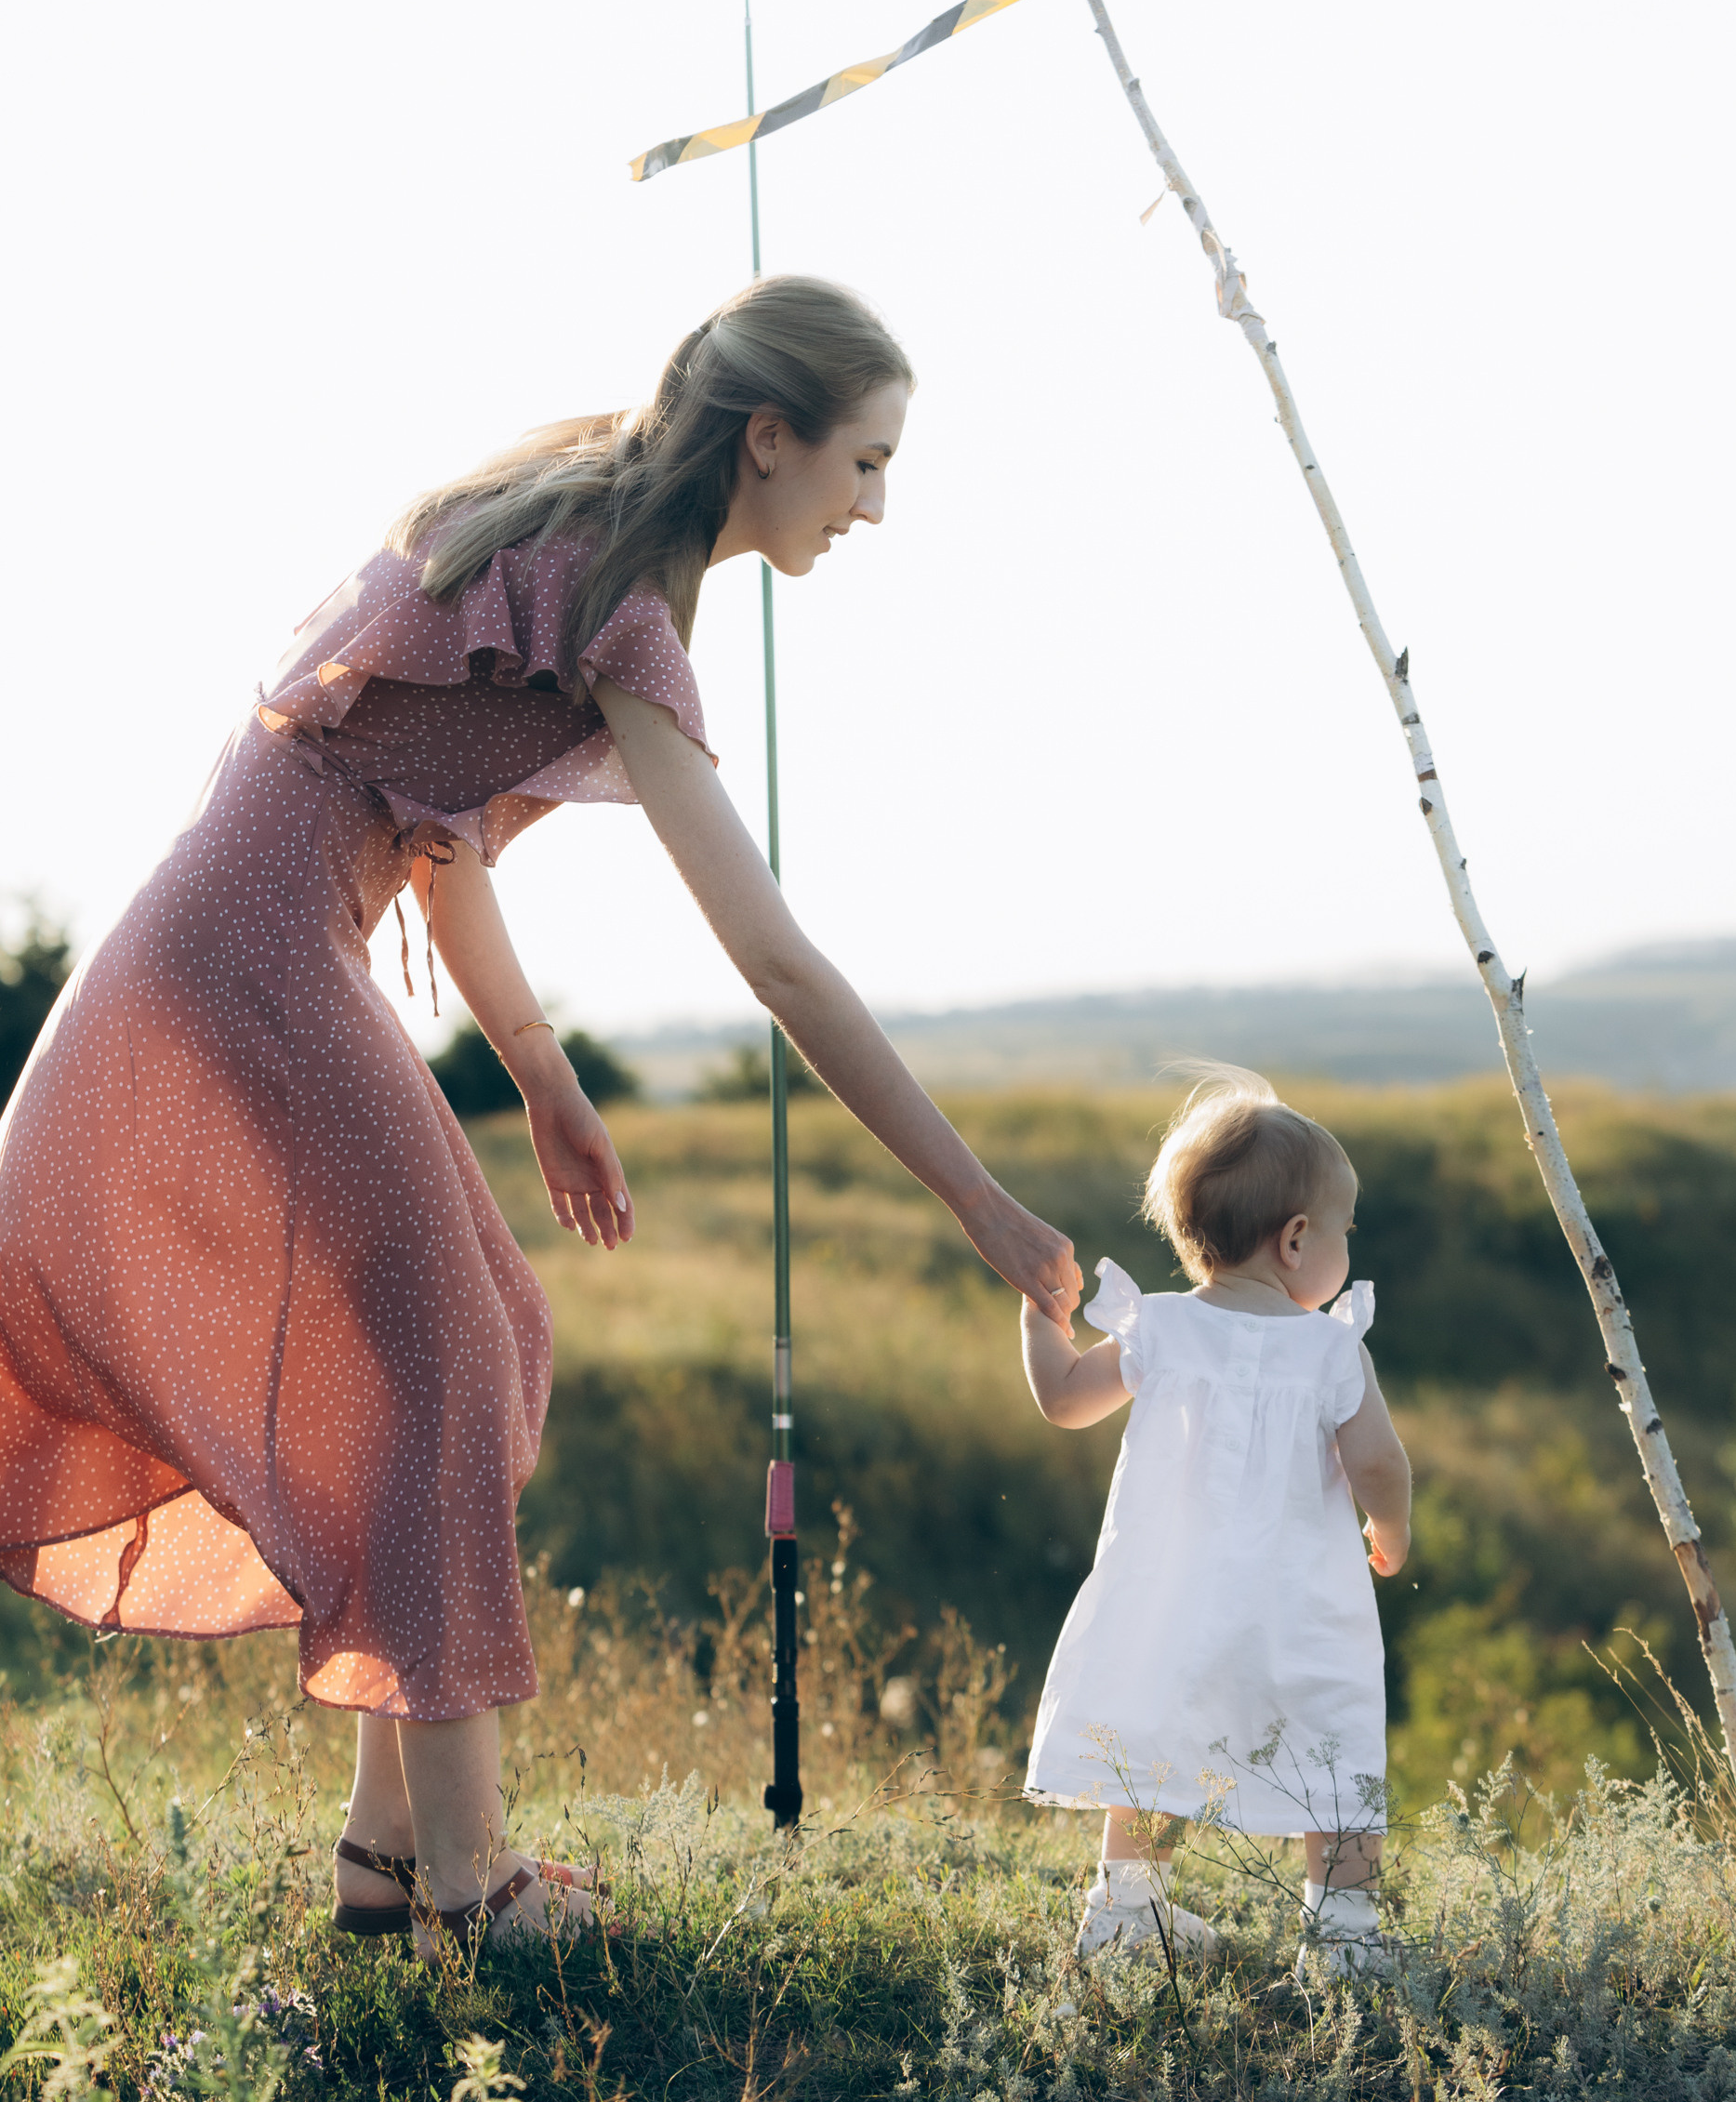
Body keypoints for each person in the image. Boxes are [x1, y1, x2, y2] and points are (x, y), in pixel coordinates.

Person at [0, 273, 1081, 1955]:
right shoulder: (630, 613)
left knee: (475, 1336)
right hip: (249, 967)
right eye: (863, 464)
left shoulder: (567, 511)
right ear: (769, 440)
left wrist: (545, 1072)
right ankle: (472, 1890)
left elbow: (428, 826)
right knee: (437, 1366)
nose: (876, 506)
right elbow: (779, 966)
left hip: (232, 947)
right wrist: (985, 1210)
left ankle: (389, 1867)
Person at [1018, 1067, 1411, 1975]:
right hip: (1299, 1607)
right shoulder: (1325, 1346)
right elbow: (1378, 1463)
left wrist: (1041, 1314)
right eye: (1342, 1231)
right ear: (1296, 1238)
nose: (1345, 1249)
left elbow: (1064, 1400)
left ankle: (1125, 1917)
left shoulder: (1156, 1329)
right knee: (1336, 1743)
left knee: (1159, 1738)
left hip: (1175, 1597)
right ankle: (1342, 1939)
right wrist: (1388, 1532)